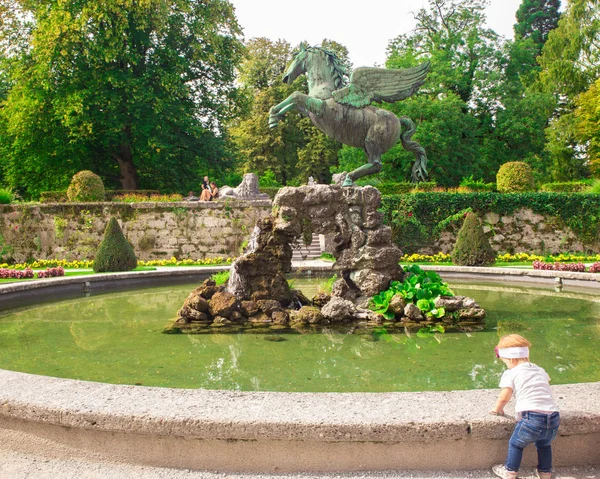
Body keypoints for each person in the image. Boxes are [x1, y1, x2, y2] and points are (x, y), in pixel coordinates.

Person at [490, 334, 560, 479]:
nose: (506, 365)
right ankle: (545, 473)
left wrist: (497, 409)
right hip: (553, 417)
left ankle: (510, 471)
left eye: (505, 362)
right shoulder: (539, 369)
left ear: (511, 359)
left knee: (516, 444)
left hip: (532, 418)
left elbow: (504, 396)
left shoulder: (511, 373)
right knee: (544, 446)